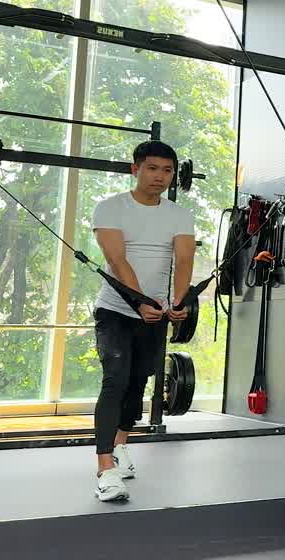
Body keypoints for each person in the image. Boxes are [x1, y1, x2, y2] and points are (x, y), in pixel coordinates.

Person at [90, 140, 195, 502]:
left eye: (167, 171)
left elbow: (183, 262)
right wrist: (139, 302)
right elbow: (117, 260)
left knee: (137, 387)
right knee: (115, 379)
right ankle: (105, 468)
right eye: (152, 168)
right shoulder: (110, 208)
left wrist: (180, 302)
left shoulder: (179, 215)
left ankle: (120, 445)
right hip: (115, 311)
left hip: (153, 315)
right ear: (135, 169)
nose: (160, 177)